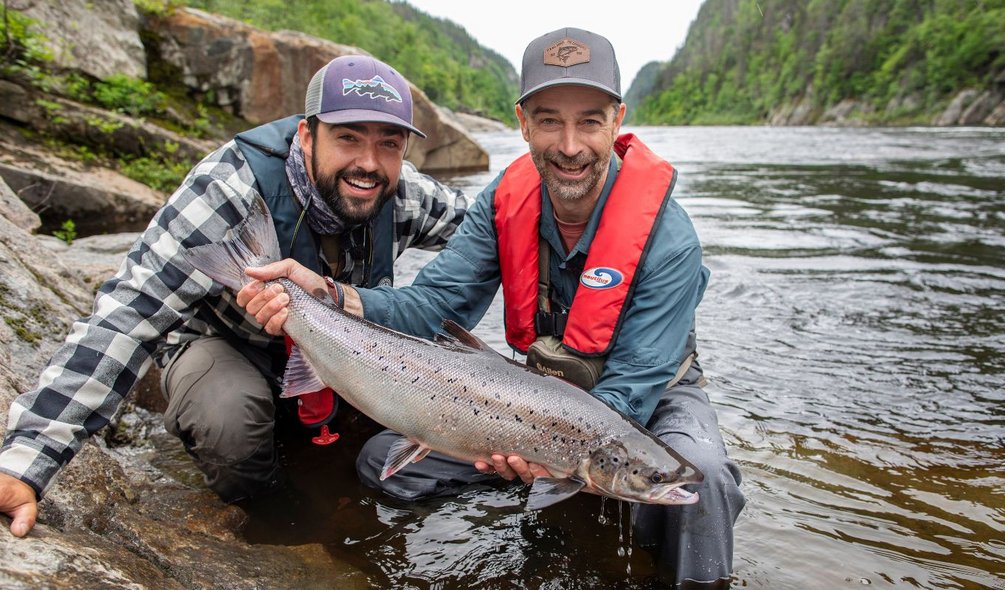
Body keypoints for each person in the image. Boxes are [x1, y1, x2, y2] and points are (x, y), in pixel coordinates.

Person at [240, 29, 745, 588]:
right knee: (386, 467)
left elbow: (632, 388)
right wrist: (330, 298)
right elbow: (431, 304)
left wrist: (559, 452)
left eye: (590, 121)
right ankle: (549, 511)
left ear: (618, 120)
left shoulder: (670, 239)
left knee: (708, 485)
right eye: (550, 119)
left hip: (640, 400)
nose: (570, 145)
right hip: (546, 409)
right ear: (523, 123)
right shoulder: (504, 204)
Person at [0, 55, 472, 536]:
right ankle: (282, 522)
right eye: (348, 137)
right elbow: (125, 317)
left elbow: (492, 233)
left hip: (343, 354)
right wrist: (26, 463)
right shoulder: (226, 192)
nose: (369, 163)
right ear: (307, 136)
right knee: (231, 426)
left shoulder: (402, 191)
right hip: (228, 345)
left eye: (388, 144)